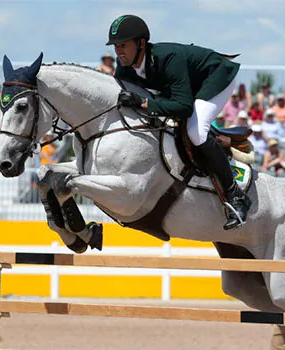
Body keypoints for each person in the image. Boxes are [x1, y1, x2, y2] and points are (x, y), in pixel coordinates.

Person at [106, 14, 250, 230]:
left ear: (141, 43)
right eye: (116, 46)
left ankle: (236, 196)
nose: (118, 51)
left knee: (196, 132)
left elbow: (182, 106)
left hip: (215, 77)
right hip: (186, 87)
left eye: (123, 45)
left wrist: (146, 103)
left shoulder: (168, 58)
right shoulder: (124, 65)